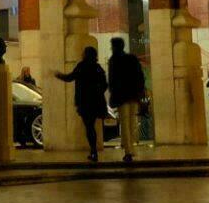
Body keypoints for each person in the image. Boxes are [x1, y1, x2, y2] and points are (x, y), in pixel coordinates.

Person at [54, 46, 110, 160]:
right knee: (91, 126)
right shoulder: (98, 67)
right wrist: (97, 92)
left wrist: (59, 75)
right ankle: (93, 151)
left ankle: (93, 151)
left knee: (89, 126)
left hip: (85, 102)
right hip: (96, 102)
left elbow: (70, 77)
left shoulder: (82, 66)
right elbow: (105, 84)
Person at [105, 36, 146, 164]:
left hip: (122, 96)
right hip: (133, 95)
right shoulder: (132, 59)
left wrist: (113, 94)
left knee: (125, 123)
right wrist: (140, 92)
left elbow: (112, 80)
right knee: (132, 121)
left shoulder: (113, 60)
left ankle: (128, 150)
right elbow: (140, 76)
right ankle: (132, 147)